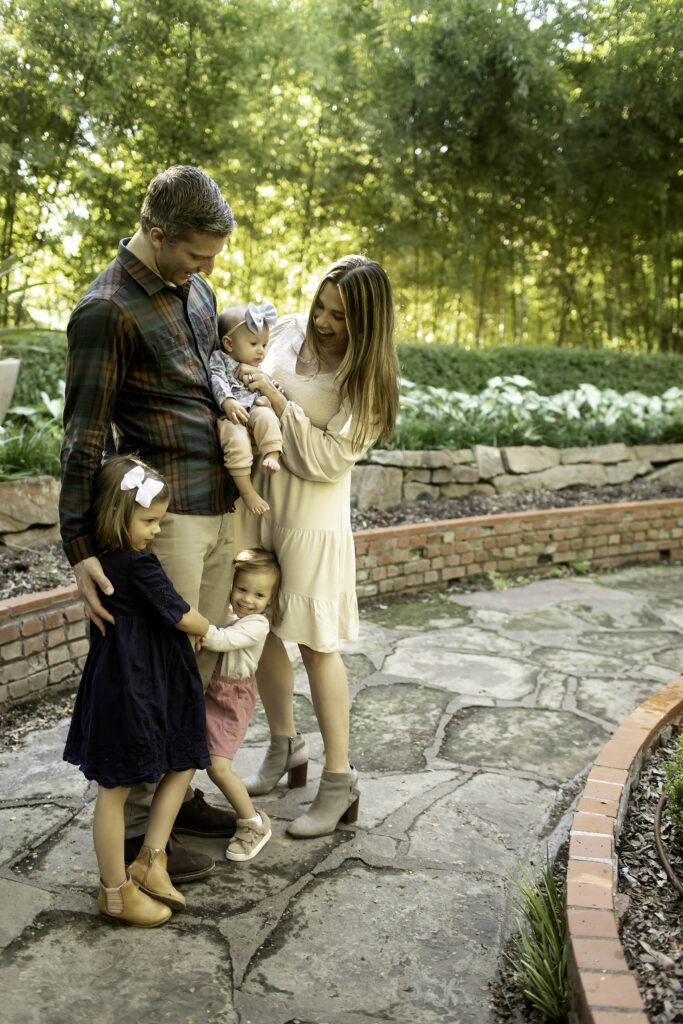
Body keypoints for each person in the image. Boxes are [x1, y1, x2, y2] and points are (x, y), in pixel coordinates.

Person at [59, 165, 239, 884]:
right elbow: (82, 437)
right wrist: (80, 547)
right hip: (165, 523)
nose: (207, 268)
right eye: (196, 254)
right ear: (158, 236)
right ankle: (136, 834)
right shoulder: (105, 310)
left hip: (221, 503)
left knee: (192, 666)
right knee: (148, 676)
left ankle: (177, 795)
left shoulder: (196, 290)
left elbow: (214, 374)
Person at [237, 254, 400, 838]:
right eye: (322, 307)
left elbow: (329, 460)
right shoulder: (284, 330)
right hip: (259, 504)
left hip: (312, 520)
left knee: (315, 645)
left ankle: (339, 779)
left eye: (341, 316)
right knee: (261, 628)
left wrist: (279, 403)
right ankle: (285, 748)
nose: (325, 323)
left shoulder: (367, 383)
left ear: (367, 323)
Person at [63, 456, 214, 927]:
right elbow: (179, 613)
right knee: (116, 789)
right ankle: (115, 892)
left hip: (143, 680)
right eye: (149, 520)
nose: (156, 531)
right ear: (117, 513)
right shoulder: (136, 564)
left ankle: (150, 858)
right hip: (134, 687)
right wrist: (219, 631)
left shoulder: (112, 561)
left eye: (159, 522)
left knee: (183, 758)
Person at [197, 548, 282, 861]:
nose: (248, 599)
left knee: (218, 768)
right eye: (242, 589)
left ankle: (254, 822)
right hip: (208, 691)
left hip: (230, 700)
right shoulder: (229, 613)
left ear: (270, 600)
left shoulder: (257, 625)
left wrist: (194, 625)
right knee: (194, 760)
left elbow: (221, 640)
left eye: (258, 594)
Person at [210, 301, 282, 515]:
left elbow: (266, 384)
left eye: (264, 345)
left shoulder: (256, 366)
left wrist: (274, 390)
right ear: (229, 343)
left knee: (267, 417)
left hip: (254, 408)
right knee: (236, 441)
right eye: (254, 343)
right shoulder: (220, 359)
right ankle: (247, 490)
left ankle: (272, 453)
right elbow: (216, 379)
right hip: (231, 414)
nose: (261, 351)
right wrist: (227, 401)